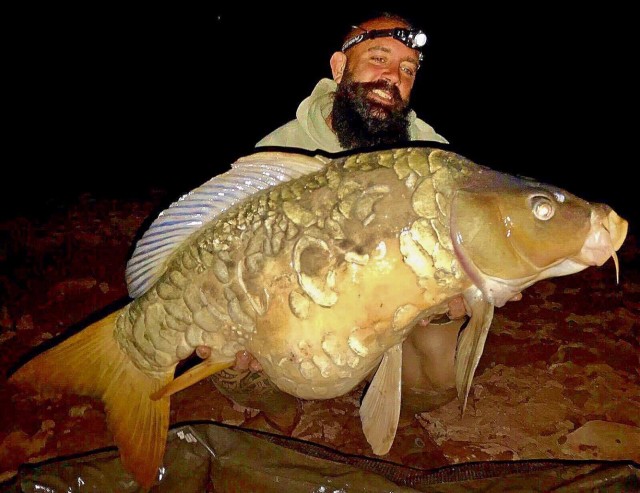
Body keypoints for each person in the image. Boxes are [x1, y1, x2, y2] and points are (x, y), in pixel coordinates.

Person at [256, 12, 447, 153]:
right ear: (339, 68)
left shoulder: (433, 156)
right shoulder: (279, 150)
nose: (395, 76)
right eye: (379, 59)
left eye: (407, 70)